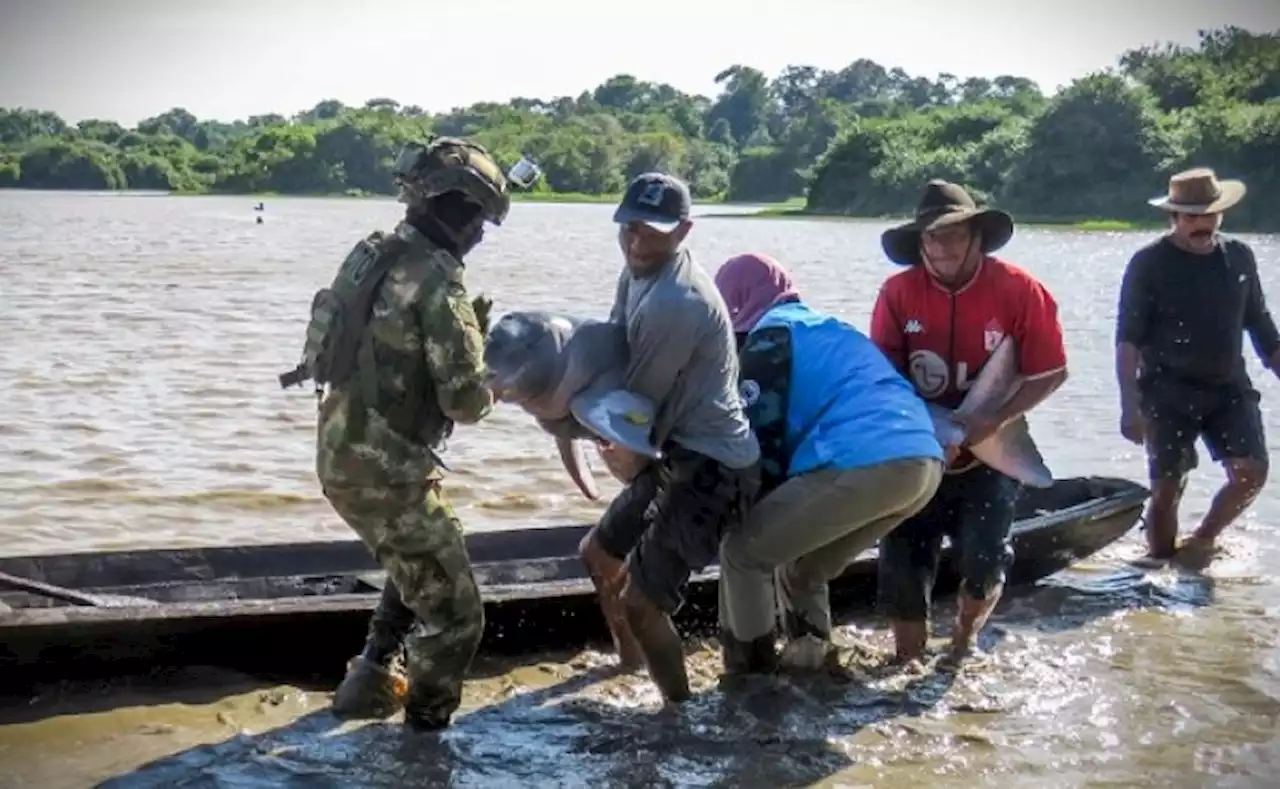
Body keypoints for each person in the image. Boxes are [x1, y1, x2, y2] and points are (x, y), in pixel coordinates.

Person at [281, 136, 511, 730]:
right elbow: (463, 402)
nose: (482, 233)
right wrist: (498, 386)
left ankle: (370, 678)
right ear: (457, 212)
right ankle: (424, 740)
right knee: (459, 617)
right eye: (480, 218)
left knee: (419, 559)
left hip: (340, 449)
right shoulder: (439, 286)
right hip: (386, 470)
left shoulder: (373, 253)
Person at [577, 172, 762, 703]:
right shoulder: (634, 270)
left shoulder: (677, 303)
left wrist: (613, 450)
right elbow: (613, 355)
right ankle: (631, 669)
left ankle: (675, 714)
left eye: (653, 231)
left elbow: (634, 422)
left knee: (641, 601)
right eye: (629, 227)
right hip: (671, 445)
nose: (637, 241)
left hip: (713, 464)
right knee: (598, 554)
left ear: (683, 230)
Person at [713, 253, 945, 675]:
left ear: (733, 303)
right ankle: (812, 669)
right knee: (801, 567)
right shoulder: (828, 328)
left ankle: (751, 681)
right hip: (922, 462)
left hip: (863, 460)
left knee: (743, 551)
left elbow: (754, 447)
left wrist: (719, 510)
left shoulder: (770, 336)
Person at [869, 179, 1068, 663]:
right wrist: (928, 433)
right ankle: (905, 660)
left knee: (984, 561)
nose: (940, 247)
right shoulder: (897, 293)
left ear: (978, 237)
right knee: (901, 561)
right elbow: (881, 377)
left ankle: (962, 643)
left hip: (992, 443)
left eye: (953, 235)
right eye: (930, 237)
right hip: (921, 446)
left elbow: (1052, 371)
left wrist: (988, 422)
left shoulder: (1021, 290)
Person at [1116, 168, 1278, 568]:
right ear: (1173, 218)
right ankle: (1156, 570)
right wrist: (1129, 405)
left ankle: (1202, 540)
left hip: (1228, 388)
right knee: (1167, 489)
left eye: (1209, 215)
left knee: (1251, 472)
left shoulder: (1239, 256)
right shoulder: (1149, 263)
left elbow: (1261, 326)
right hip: (1166, 391)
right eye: (1191, 217)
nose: (1202, 224)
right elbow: (1127, 340)